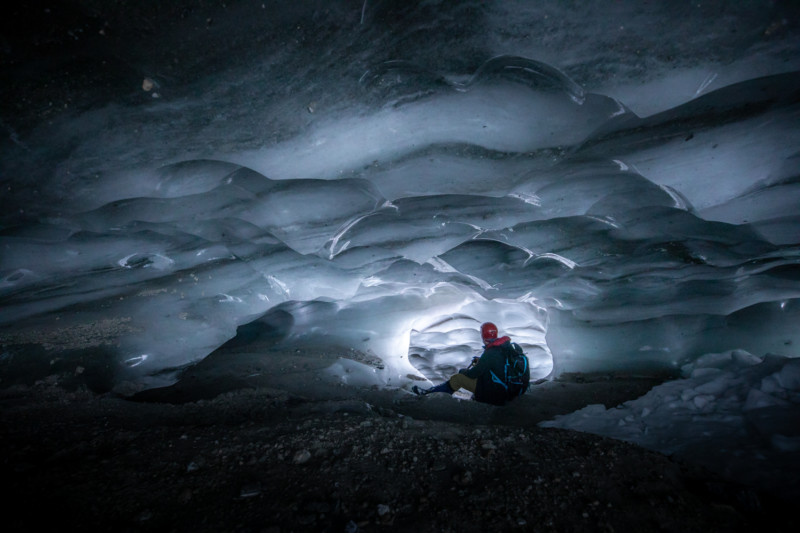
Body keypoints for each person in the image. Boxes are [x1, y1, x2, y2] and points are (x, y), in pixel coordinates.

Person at [412, 322, 527, 406]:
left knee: (457, 379)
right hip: (504, 390)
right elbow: (496, 366)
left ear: (483, 335)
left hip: (494, 394)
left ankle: (430, 395)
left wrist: (464, 372)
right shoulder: (503, 348)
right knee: (465, 377)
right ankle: (434, 392)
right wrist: (481, 362)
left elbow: (474, 374)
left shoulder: (491, 352)